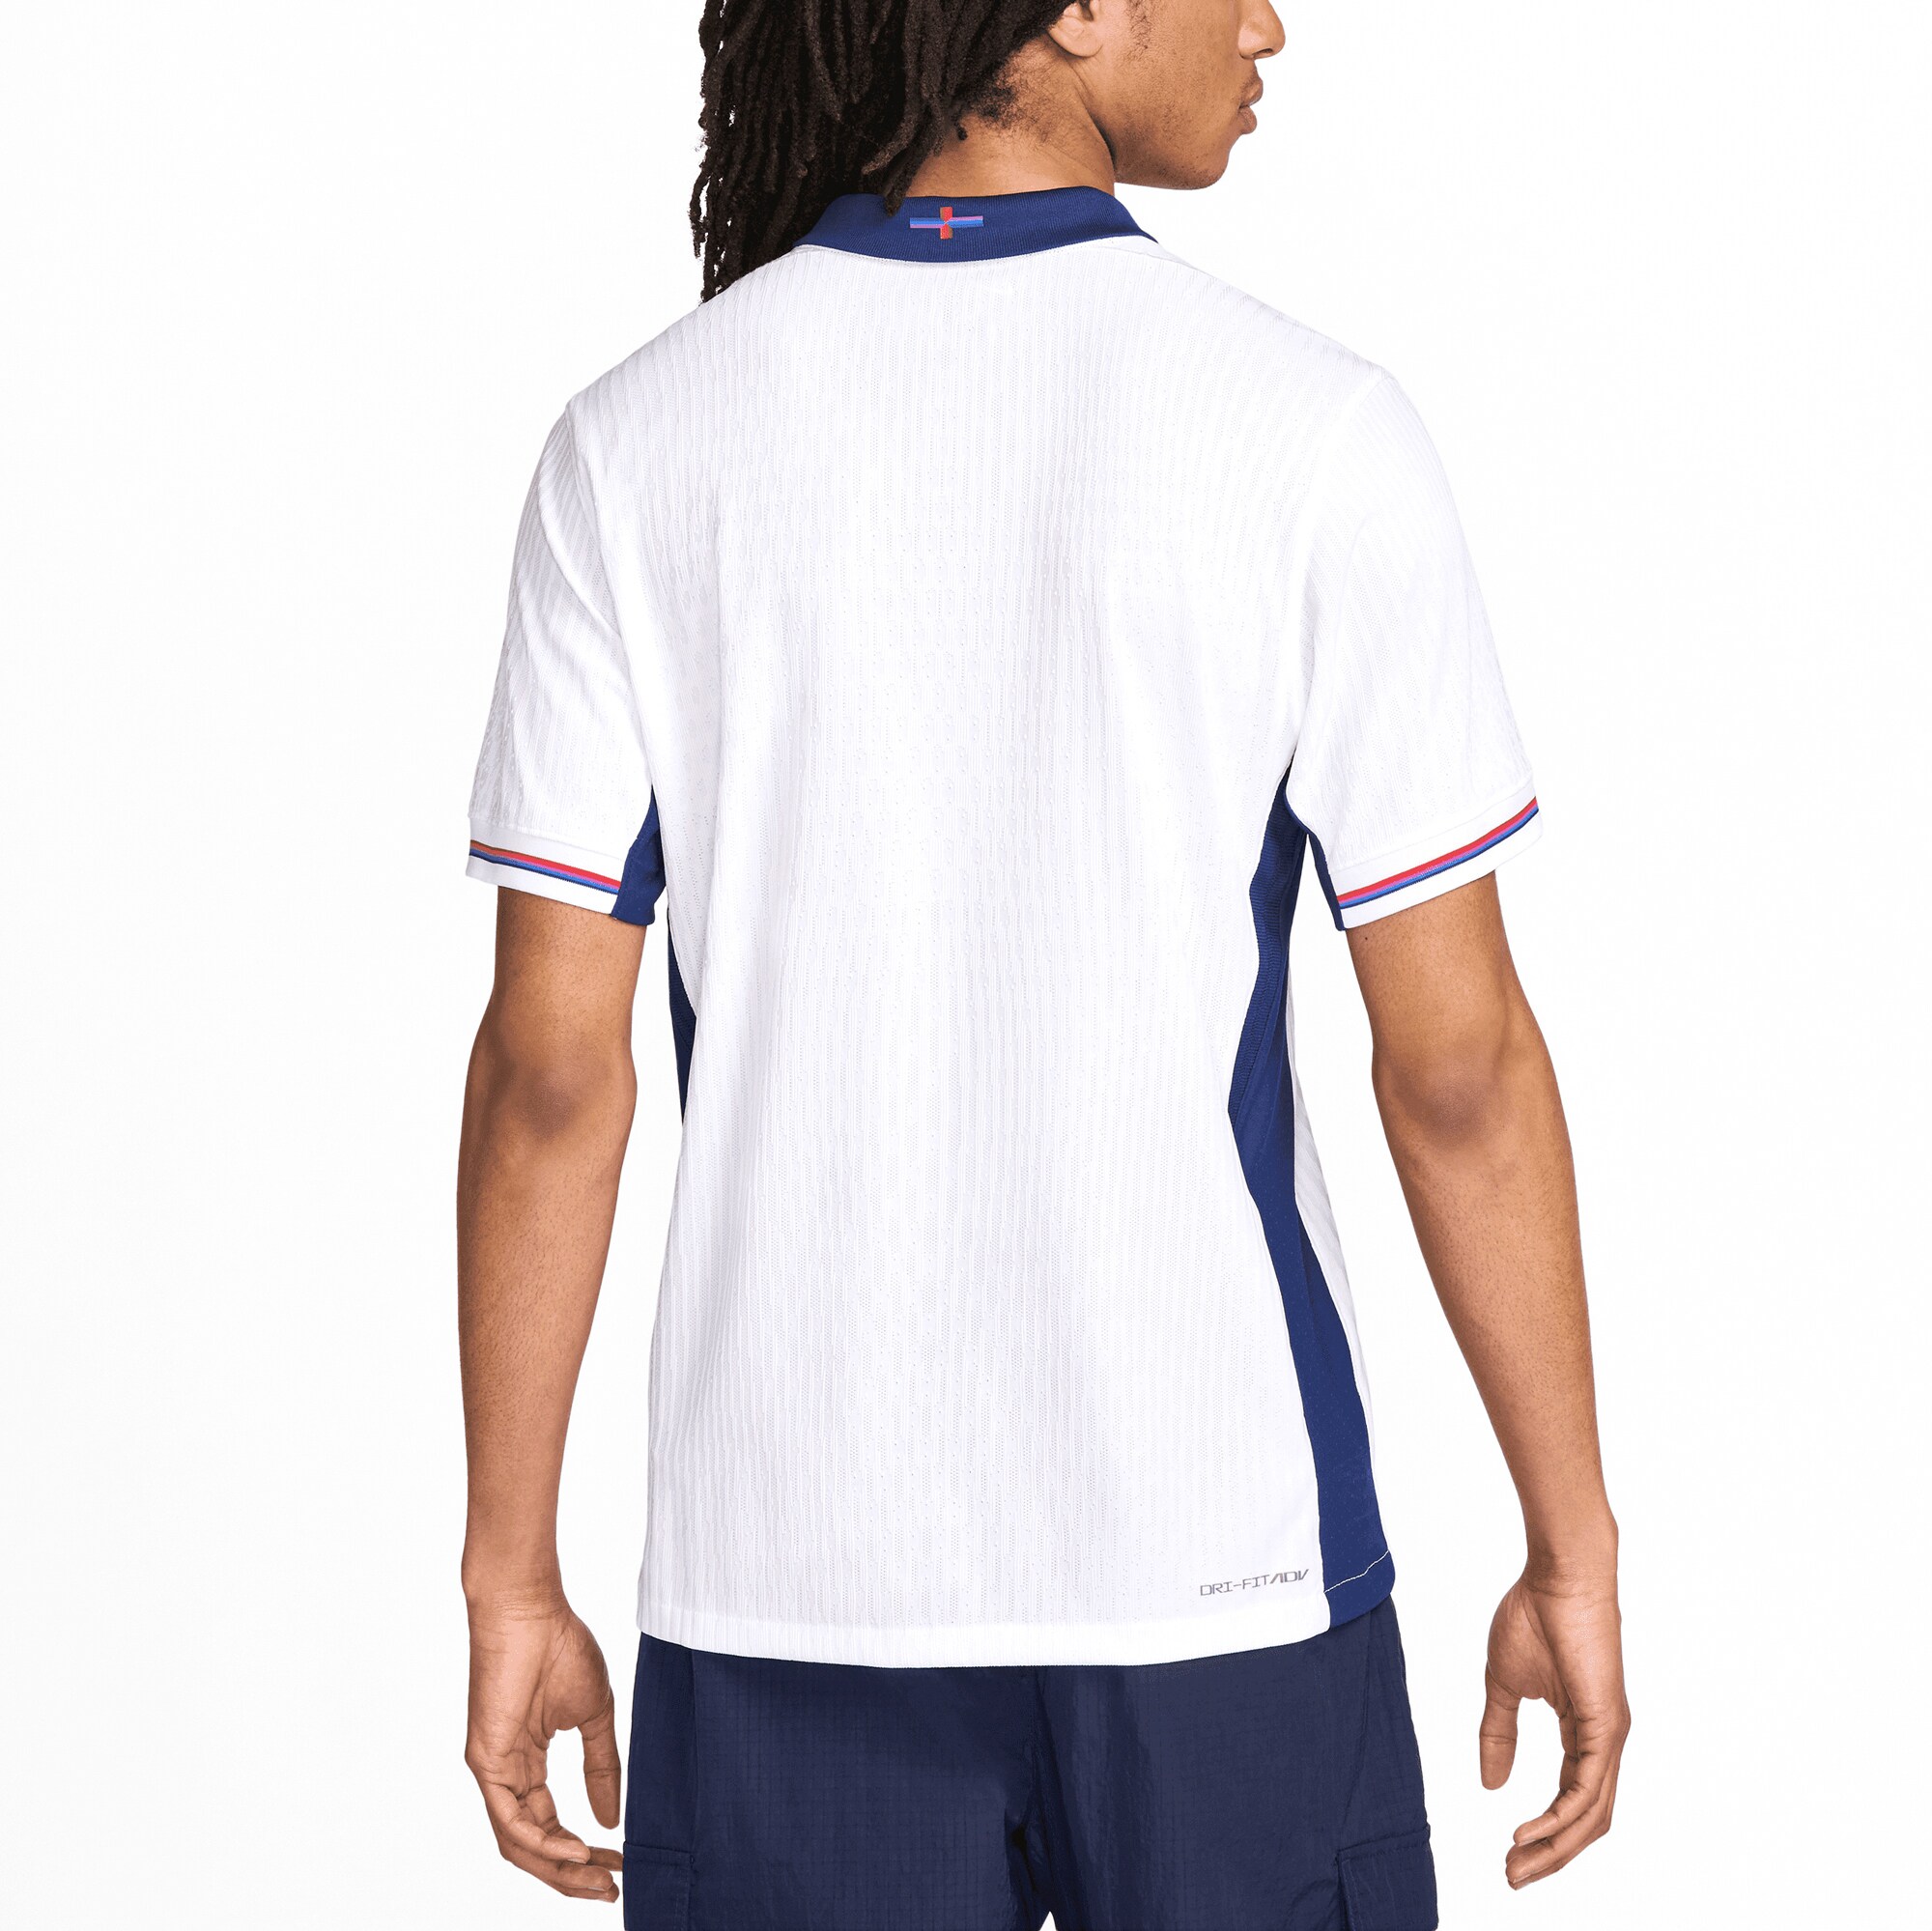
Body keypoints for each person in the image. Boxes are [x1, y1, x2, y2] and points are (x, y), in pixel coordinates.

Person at [457, 2, 1630, 1923]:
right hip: (1223, 1576)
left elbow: (550, 1078)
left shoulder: (637, 444)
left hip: (782, 1596)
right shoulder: (1310, 430)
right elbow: (1458, 1072)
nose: (1269, 22)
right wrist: (1570, 1543)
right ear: (1075, 7)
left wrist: (511, 1574)